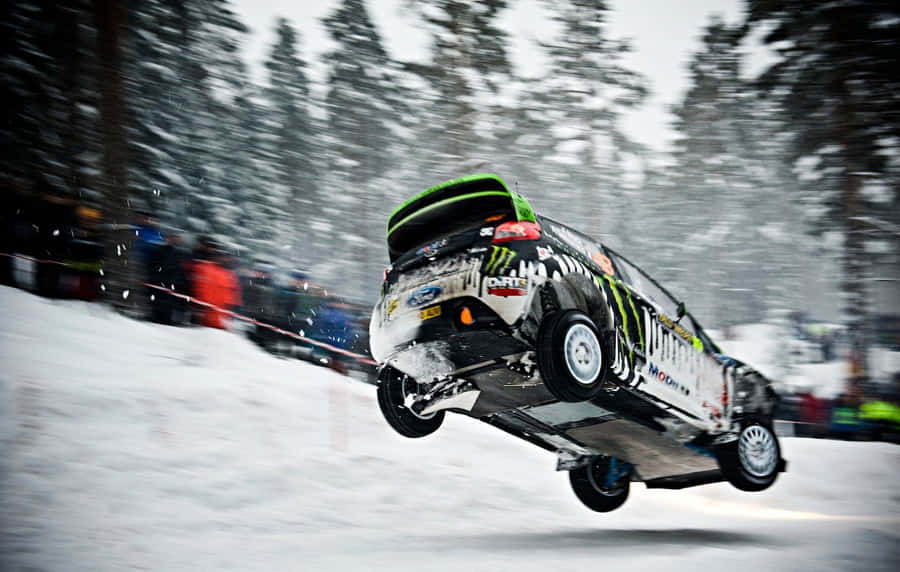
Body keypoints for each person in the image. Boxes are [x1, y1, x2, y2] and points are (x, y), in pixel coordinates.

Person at [190, 238, 241, 329]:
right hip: (205, 313)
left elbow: (233, 294)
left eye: (225, 257)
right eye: (221, 256)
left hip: (221, 316)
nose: (224, 259)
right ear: (215, 256)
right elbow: (199, 289)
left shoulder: (229, 274)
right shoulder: (204, 268)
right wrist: (200, 307)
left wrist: (231, 309)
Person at [147, 232, 190, 325]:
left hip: (172, 286)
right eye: (173, 237)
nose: (176, 240)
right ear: (168, 238)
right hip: (159, 285)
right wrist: (157, 279)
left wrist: (180, 284)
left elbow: (181, 270)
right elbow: (152, 266)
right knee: (157, 311)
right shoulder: (159, 250)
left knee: (168, 311)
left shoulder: (180, 254)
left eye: (177, 238)